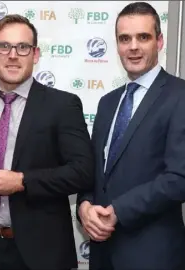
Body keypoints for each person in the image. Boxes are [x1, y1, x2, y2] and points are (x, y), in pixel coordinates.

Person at [0, 14, 94, 270]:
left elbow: (82, 172)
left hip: (42, 254)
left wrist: (22, 181)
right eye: (4, 46)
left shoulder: (62, 105)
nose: (12, 55)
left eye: (22, 47)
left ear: (35, 54)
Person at [76, 2, 185, 269]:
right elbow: (94, 172)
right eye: (125, 39)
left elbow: (179, 178)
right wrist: (84, 206)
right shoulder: (107, 102)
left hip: (153, 256)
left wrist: (119, 212)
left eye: (143, 37)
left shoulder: (180, 96)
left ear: (159, 41)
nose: (133, 46)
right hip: (102, 253)